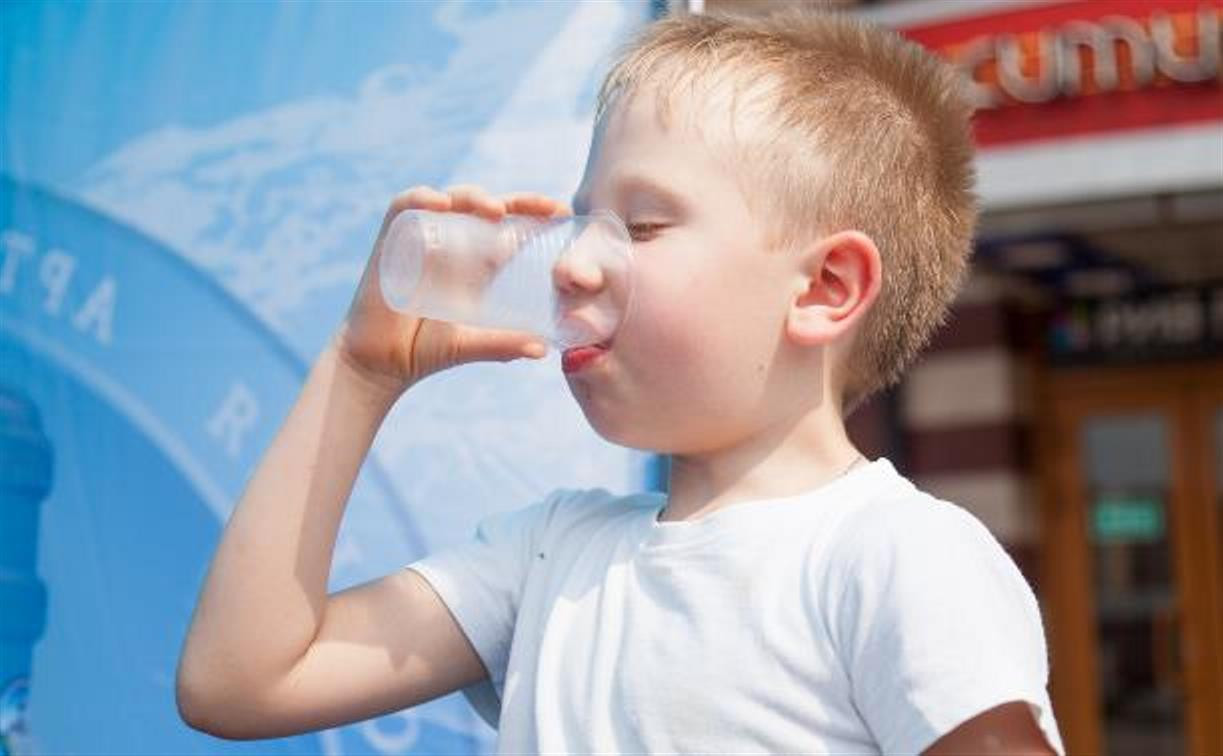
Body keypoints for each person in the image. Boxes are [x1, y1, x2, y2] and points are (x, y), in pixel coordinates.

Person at [176, 8, 1065, 754]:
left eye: (639, 226)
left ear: (825, 289)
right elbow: (242, 683)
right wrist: (357, 370)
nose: (571, 267)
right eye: (578, 223)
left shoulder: (893, 557)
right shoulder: (546, 556)